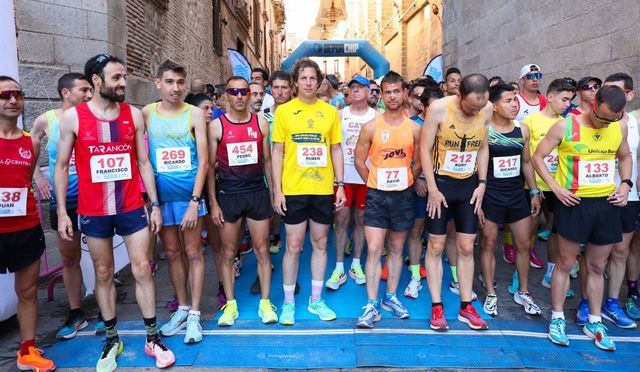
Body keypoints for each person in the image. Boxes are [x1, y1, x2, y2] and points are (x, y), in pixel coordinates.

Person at [54, 54, 175, 370]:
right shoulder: (73, 119)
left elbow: (144, 163)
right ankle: (112, 339)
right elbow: (62, 165)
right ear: (96, 80)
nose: (123, 83)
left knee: (142, 269)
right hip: (94, 210)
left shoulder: (133, 115)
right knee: (104, 274)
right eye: (116, 77)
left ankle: (152, 336)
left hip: (131, 206)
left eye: (124, 77)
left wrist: (156, 205)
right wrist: (64, 214)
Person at [533, 85, 631, 351]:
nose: (606, 123)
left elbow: (624, 156)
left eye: (614, 118)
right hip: (574, 203)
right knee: (565, 263)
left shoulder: (618, 126)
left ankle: (595, 321)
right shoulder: (564, 126)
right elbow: (538, 157)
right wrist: (555, 188)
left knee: (598, 266)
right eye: (602, 117)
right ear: (592, 103)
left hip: (606, 204)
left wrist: (625, 184)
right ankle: (557, 317)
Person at [272, 58, 346, 325]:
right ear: (295, 82)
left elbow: (336, 148)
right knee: (292, 245)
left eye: (313, 78)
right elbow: (277, 152)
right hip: (293, 189)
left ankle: (316, 299)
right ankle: (289, 302)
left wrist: (340, 185)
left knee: (321, 242)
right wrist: (277, 191)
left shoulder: (329, 112)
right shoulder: (283, 112)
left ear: (319, 81)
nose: (308, 83)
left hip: (322, 188)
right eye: (303, 78)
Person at [31, 73, 102, 339]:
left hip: (92, 199)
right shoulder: (46, 120)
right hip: (65, 202)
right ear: (65, 92)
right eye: (83, 90)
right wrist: (37, 177)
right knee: (69, 258)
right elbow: (33, 146)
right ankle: (76, 313)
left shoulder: (93, 117)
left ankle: (106, 311)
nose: (88, 94)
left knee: (99, 256)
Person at [143, 60, 209, 344]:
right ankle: (182, 308)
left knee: (193, 253)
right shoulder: (147, 113)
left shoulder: (194, 114)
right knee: (171, 254)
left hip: (189, 198)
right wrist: (153, 204)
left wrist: (196, 201)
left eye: (180, 82)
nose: (176, 88)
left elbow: (205, 160)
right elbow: (142, 157)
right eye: (169, 82)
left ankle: (195, 315)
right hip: (162, 200)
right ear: (158, 83)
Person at [420, 73, 492, 331]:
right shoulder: (439, 109)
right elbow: (425, 150)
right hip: (441, 184)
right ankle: (437, 306)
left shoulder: (486, 109)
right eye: (472, 107)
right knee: (436, 245)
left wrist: (482, 184)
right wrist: (432, 188)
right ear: (460, 95)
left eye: (480, 107)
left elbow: (483, 147)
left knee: (466, 246)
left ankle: (465, 306)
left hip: (468, 186)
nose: (476, 112)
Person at [353, 71, 422, 328]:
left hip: (403, 196)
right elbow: (359, 161)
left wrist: (408, 179)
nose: (392, 96)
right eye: (387, 92)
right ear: (380, 95)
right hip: (377, 196)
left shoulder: (414, 129)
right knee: (373, 249)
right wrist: (374, 181)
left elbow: (418, 163)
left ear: (405, 93)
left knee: (395, 248)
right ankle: (371, 304)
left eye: (397, 91)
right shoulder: (370, 126)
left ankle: (390, 297)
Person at [208, 76, 277, 326]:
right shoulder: (216, 126)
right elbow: (208, 168)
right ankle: (230, 304)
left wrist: (274, 192)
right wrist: (213, 203)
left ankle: (266, 303)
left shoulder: (261, 123)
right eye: (233, 92)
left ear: (250, 94)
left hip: (257, 191)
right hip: (229, 195)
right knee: (228, 252)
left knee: (262, 250)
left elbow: (267, 161)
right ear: (226, 95)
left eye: (243, 91)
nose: (239, 96)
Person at [0, 76, 56, 371]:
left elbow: (27, 179)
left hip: (26, 228)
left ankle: (27, 350)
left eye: (17, 95)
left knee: (28, 291)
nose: (12, 100)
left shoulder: (30, 142)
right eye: (5, 95)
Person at [479, 82, 542, 317]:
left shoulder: (522, 129)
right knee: (488, 244)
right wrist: (480, 192)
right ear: (494, 105)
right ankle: (491, 292)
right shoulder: (485, 130)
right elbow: (480, 165)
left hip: (517, 195)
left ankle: (523, 292)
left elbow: (526, 162)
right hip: (492, 195)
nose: (514, 104)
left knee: (524, 244)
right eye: (508, 100)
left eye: (515, 100)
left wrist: (534, 191)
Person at [520, 79, 576, 297]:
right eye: (564, 99)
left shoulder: (567, 123)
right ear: (550, 97)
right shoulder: (530, 121)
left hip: (558, 187)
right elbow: (528, 158)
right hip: (533, 186)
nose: (567, 104)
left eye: (570, 100)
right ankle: (519, 278)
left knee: (555, 229)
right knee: (528, 232)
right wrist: (533, 188)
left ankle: (551, 274)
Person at [590, 73, 637, 329]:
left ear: (628, 95)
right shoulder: (591, 122)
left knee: (620, 252)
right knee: (593, 256)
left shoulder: (634, 122)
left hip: (628, 197)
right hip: (598, 195)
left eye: (617, 92)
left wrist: (627, 185)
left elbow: (630, 157)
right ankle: (588, 302)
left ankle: (612, 302)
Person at [326, 75, 376, 290]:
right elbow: (332, 146)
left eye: (361, 87)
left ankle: (356, 263)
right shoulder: (339, 115)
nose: (356, 91)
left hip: (366, 177)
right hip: (344, 177)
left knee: (361, 218)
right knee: (341, 218)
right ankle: (338, 266)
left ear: (369, 92)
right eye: (352, 87)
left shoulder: (377, 116)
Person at [404, 82, 443, 299]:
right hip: (418, 186)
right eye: (432, 107)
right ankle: (415, 277)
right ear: (422, 106)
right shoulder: (411, 126)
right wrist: (416, 179)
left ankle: (456, 278)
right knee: (417, 230)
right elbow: (406, 158)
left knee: (444, 234)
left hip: (443, 186)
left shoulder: (448, 125)